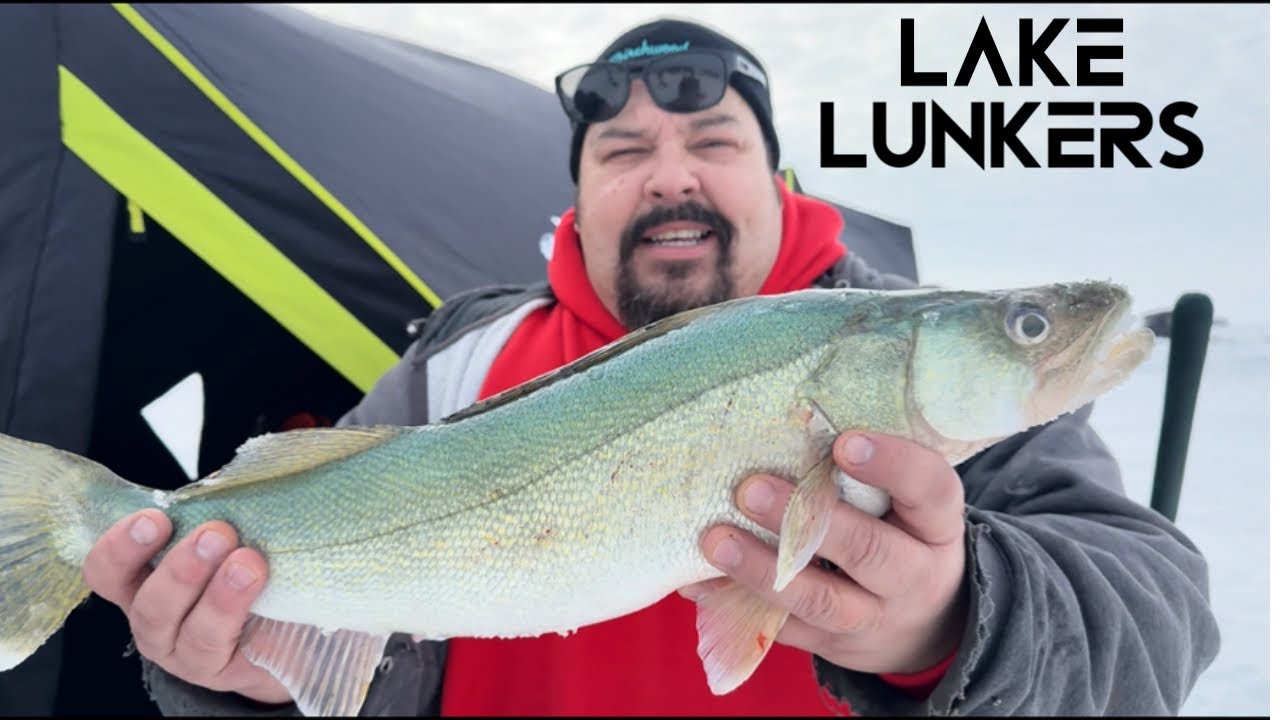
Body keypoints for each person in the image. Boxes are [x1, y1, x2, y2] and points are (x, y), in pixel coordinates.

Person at [80, 17, 1220, 716]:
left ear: (776, 177)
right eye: (622, 150)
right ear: (576, 191)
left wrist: (956, 619)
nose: (669, 175)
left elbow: (1157, 630)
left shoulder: (909, 363)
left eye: (714, 142)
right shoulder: (453, 359)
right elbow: (359, 663)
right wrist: (239, 677)